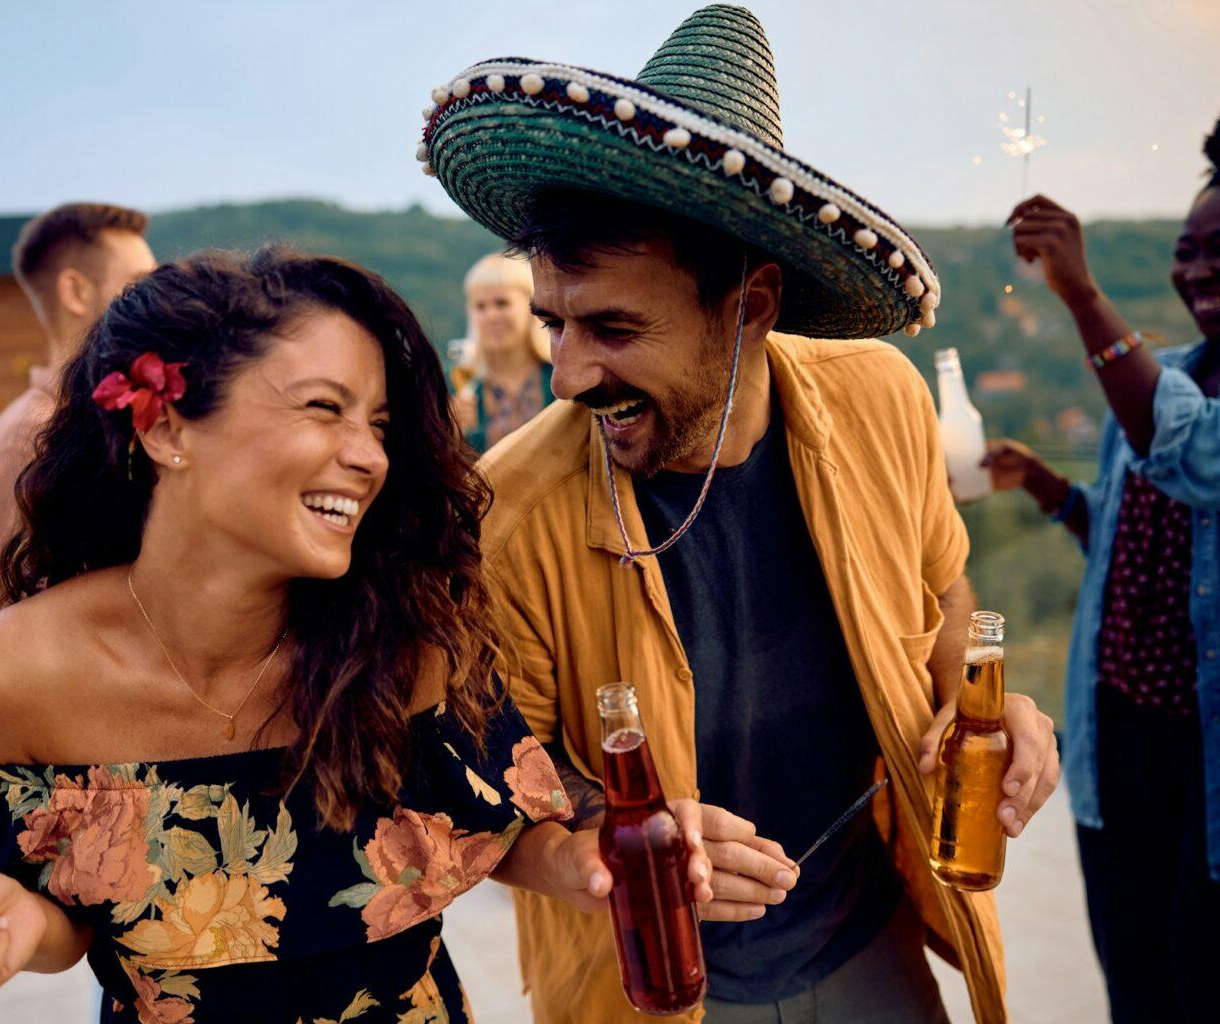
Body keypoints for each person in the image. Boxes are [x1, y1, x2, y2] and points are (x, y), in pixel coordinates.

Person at [417, 6, 1058, 1023]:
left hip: (872, 936)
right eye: (554, 324)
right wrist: (611, 842)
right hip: (648, 985)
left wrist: (980, 710)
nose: (569, 374)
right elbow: (501, 785)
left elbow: (942, 592)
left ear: (752, 304)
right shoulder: (510, 514)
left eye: (613, 327)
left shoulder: (883, 400)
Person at [0, 248, 713, 1023]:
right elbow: (60, 914)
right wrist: (7, 921)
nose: (370, 457)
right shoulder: (15, 674)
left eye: (379, 424)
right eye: (324, 408)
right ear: (166, 429)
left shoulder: (402, 636)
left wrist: (578, 863)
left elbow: (496, 818)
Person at [981, 118, 1220, 1023]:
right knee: (1135, 979)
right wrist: (1046, 485)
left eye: (1219, 249)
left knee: (1201, 976)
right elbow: (1129, 539)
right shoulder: (1169, 379)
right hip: (1118, 741)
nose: (1197, 269)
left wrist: (1081, 292)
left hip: (1206, 759)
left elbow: (1189, 455)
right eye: (1187, 251)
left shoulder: (1160, 402)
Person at [0, 202, 156, 606]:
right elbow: (19, 612)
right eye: (137, 285)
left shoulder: (111, 416)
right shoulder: (27, 440)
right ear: (75, 291)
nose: (152, 302)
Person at [450, 253, 554, 452]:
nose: (491, 316)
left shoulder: (561, 379)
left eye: (501, 303)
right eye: (480, 306)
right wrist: (448, 433)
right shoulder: (456, 383)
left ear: (532, 306)